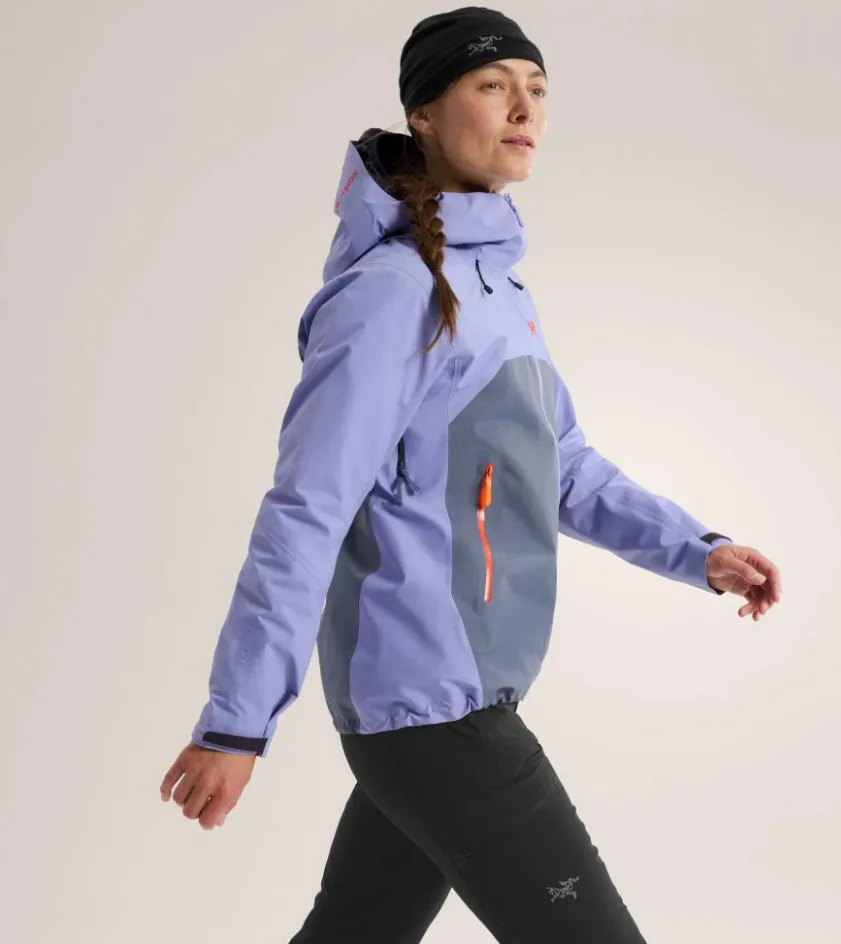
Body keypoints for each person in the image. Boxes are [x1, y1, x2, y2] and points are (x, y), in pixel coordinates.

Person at [159, 7, 782, 942]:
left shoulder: (496, 287)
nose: (524, 109)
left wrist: (700, 551)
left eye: (537, 89)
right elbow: (306, 511)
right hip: (429, 705)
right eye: (493, 86)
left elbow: (563, 465)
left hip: (459, 696)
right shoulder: (391, 295)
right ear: (424, 113)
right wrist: (236, 724)